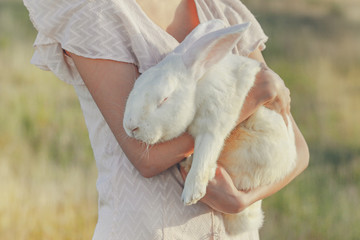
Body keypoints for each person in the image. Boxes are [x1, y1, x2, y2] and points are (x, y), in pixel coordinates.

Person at [23, 0, 309, 239]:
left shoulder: (218, 8)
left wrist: (240, 202)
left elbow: (298, 149)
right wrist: (248, 100)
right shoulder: (99, 12)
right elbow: (145, 156)